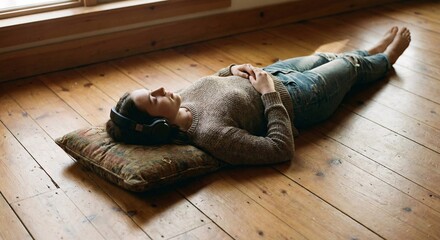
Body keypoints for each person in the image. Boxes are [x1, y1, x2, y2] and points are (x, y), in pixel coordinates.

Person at [106, 26, 411, 165]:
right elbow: (279, 149)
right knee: (347, 65)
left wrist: (232, 68)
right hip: (302, 99)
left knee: (324, 57)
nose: (161, 90)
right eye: (154, 99)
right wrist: (268, 96)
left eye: (153, 90)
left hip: (272, 75)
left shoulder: (181, 97)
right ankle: (385, 59)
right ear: (159, 126)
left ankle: (367, 54)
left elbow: (215, 80)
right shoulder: (212, 136)